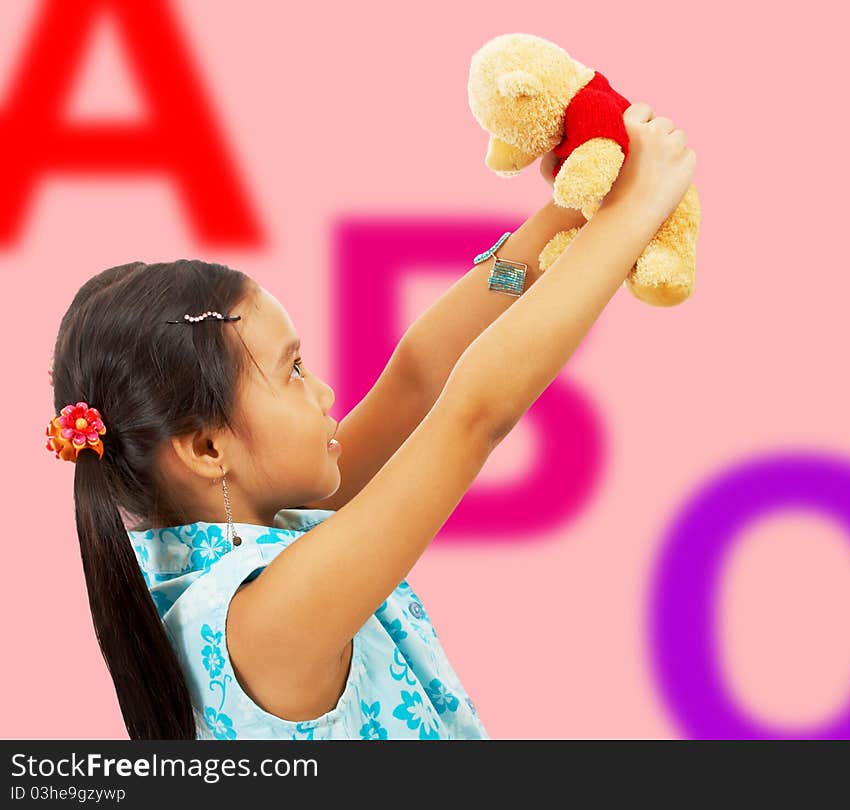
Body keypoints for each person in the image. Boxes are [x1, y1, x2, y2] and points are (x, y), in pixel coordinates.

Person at [45, 101, 695, 740]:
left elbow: (415, 380)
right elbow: (472, 417)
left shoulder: (255, 526)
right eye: (293, 370)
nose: (324, 393)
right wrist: (629, 219)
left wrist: (564, 216)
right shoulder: (261, 621)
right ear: (209, 447)